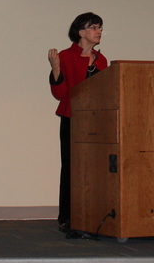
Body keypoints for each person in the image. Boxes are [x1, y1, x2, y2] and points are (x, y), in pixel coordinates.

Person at [48, 12, 109, 232]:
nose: (98, 31)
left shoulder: (102, 60)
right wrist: (56, 68)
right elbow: (60, 94)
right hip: (72, 117)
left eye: (100, 27)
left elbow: (103, 91)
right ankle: (67, 216)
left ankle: (92, 214)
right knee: (71, 167)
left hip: (95, 120)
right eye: (94, 27)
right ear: (81, 32)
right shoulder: (65, 56)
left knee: (95, 167)